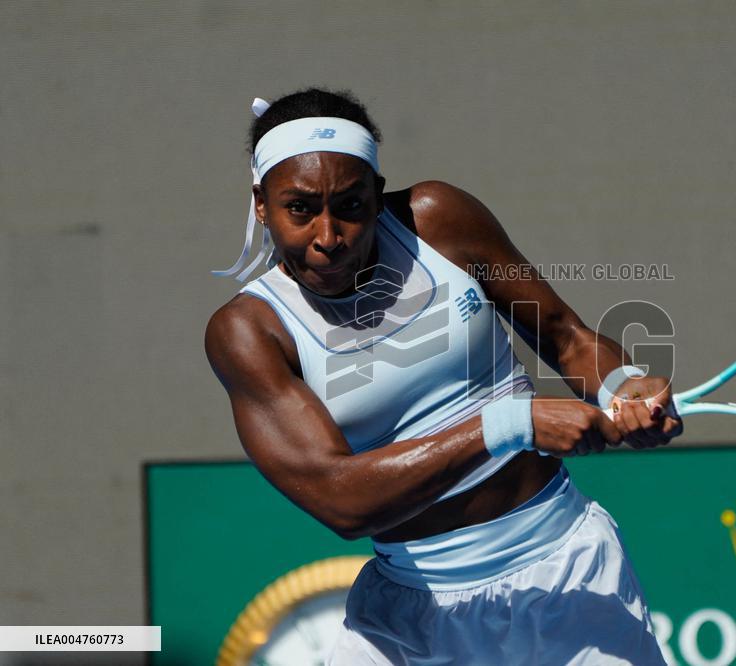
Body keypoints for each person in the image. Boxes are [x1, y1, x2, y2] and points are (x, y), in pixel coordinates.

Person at [205, 87, 682, 665]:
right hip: (410, 617)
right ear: (260, 203)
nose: (328, 238)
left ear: (378, 196)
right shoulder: (249, 331)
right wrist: (509, 424)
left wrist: (621, 386)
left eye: (351, 206)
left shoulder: (439, 219)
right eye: (300, 209)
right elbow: (341, 501)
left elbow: (565, 337)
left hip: (566, 576)